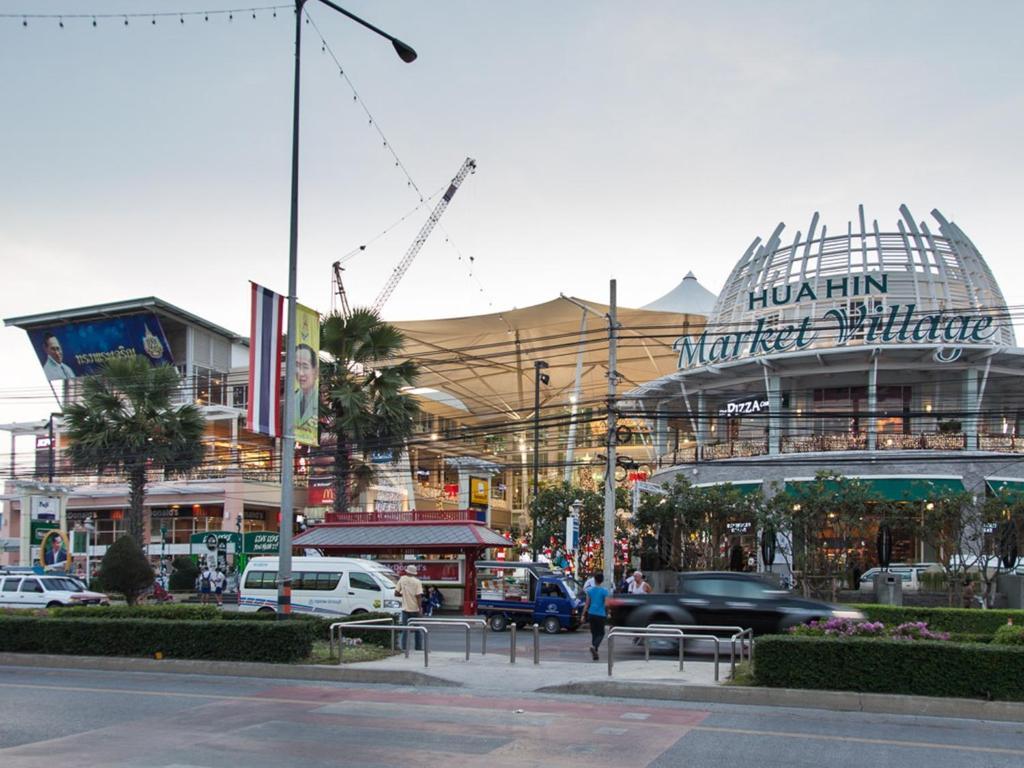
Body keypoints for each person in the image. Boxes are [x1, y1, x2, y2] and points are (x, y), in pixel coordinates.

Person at [394, 564, 424, 651]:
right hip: (415, 609)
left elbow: (396, 593)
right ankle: (418, 648)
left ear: (407, 571)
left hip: (405, 609)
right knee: (418, 629)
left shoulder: (402, 579)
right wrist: (420, 609)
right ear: (414, 573)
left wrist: (404, 595)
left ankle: (404, 648)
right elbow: (419, 596)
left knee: (405, 630)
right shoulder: (417, 582)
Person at [583, 572, 610, 661]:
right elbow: (606, 604)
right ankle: (594, 646)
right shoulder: (604, 591)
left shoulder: (589, 591)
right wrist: (607, 613)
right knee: (601, 633)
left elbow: (587, 604)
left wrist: (583, 615)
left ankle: (595, 653)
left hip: (591, 613)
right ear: (602, 581)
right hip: (600, 614)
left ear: (594, 580)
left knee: (594, 633)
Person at [294, 343, 319, 432]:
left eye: (305, 366)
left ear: (315, 371)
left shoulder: (321, 400)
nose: (300, 373)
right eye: (296, 365)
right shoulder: (292, 399)